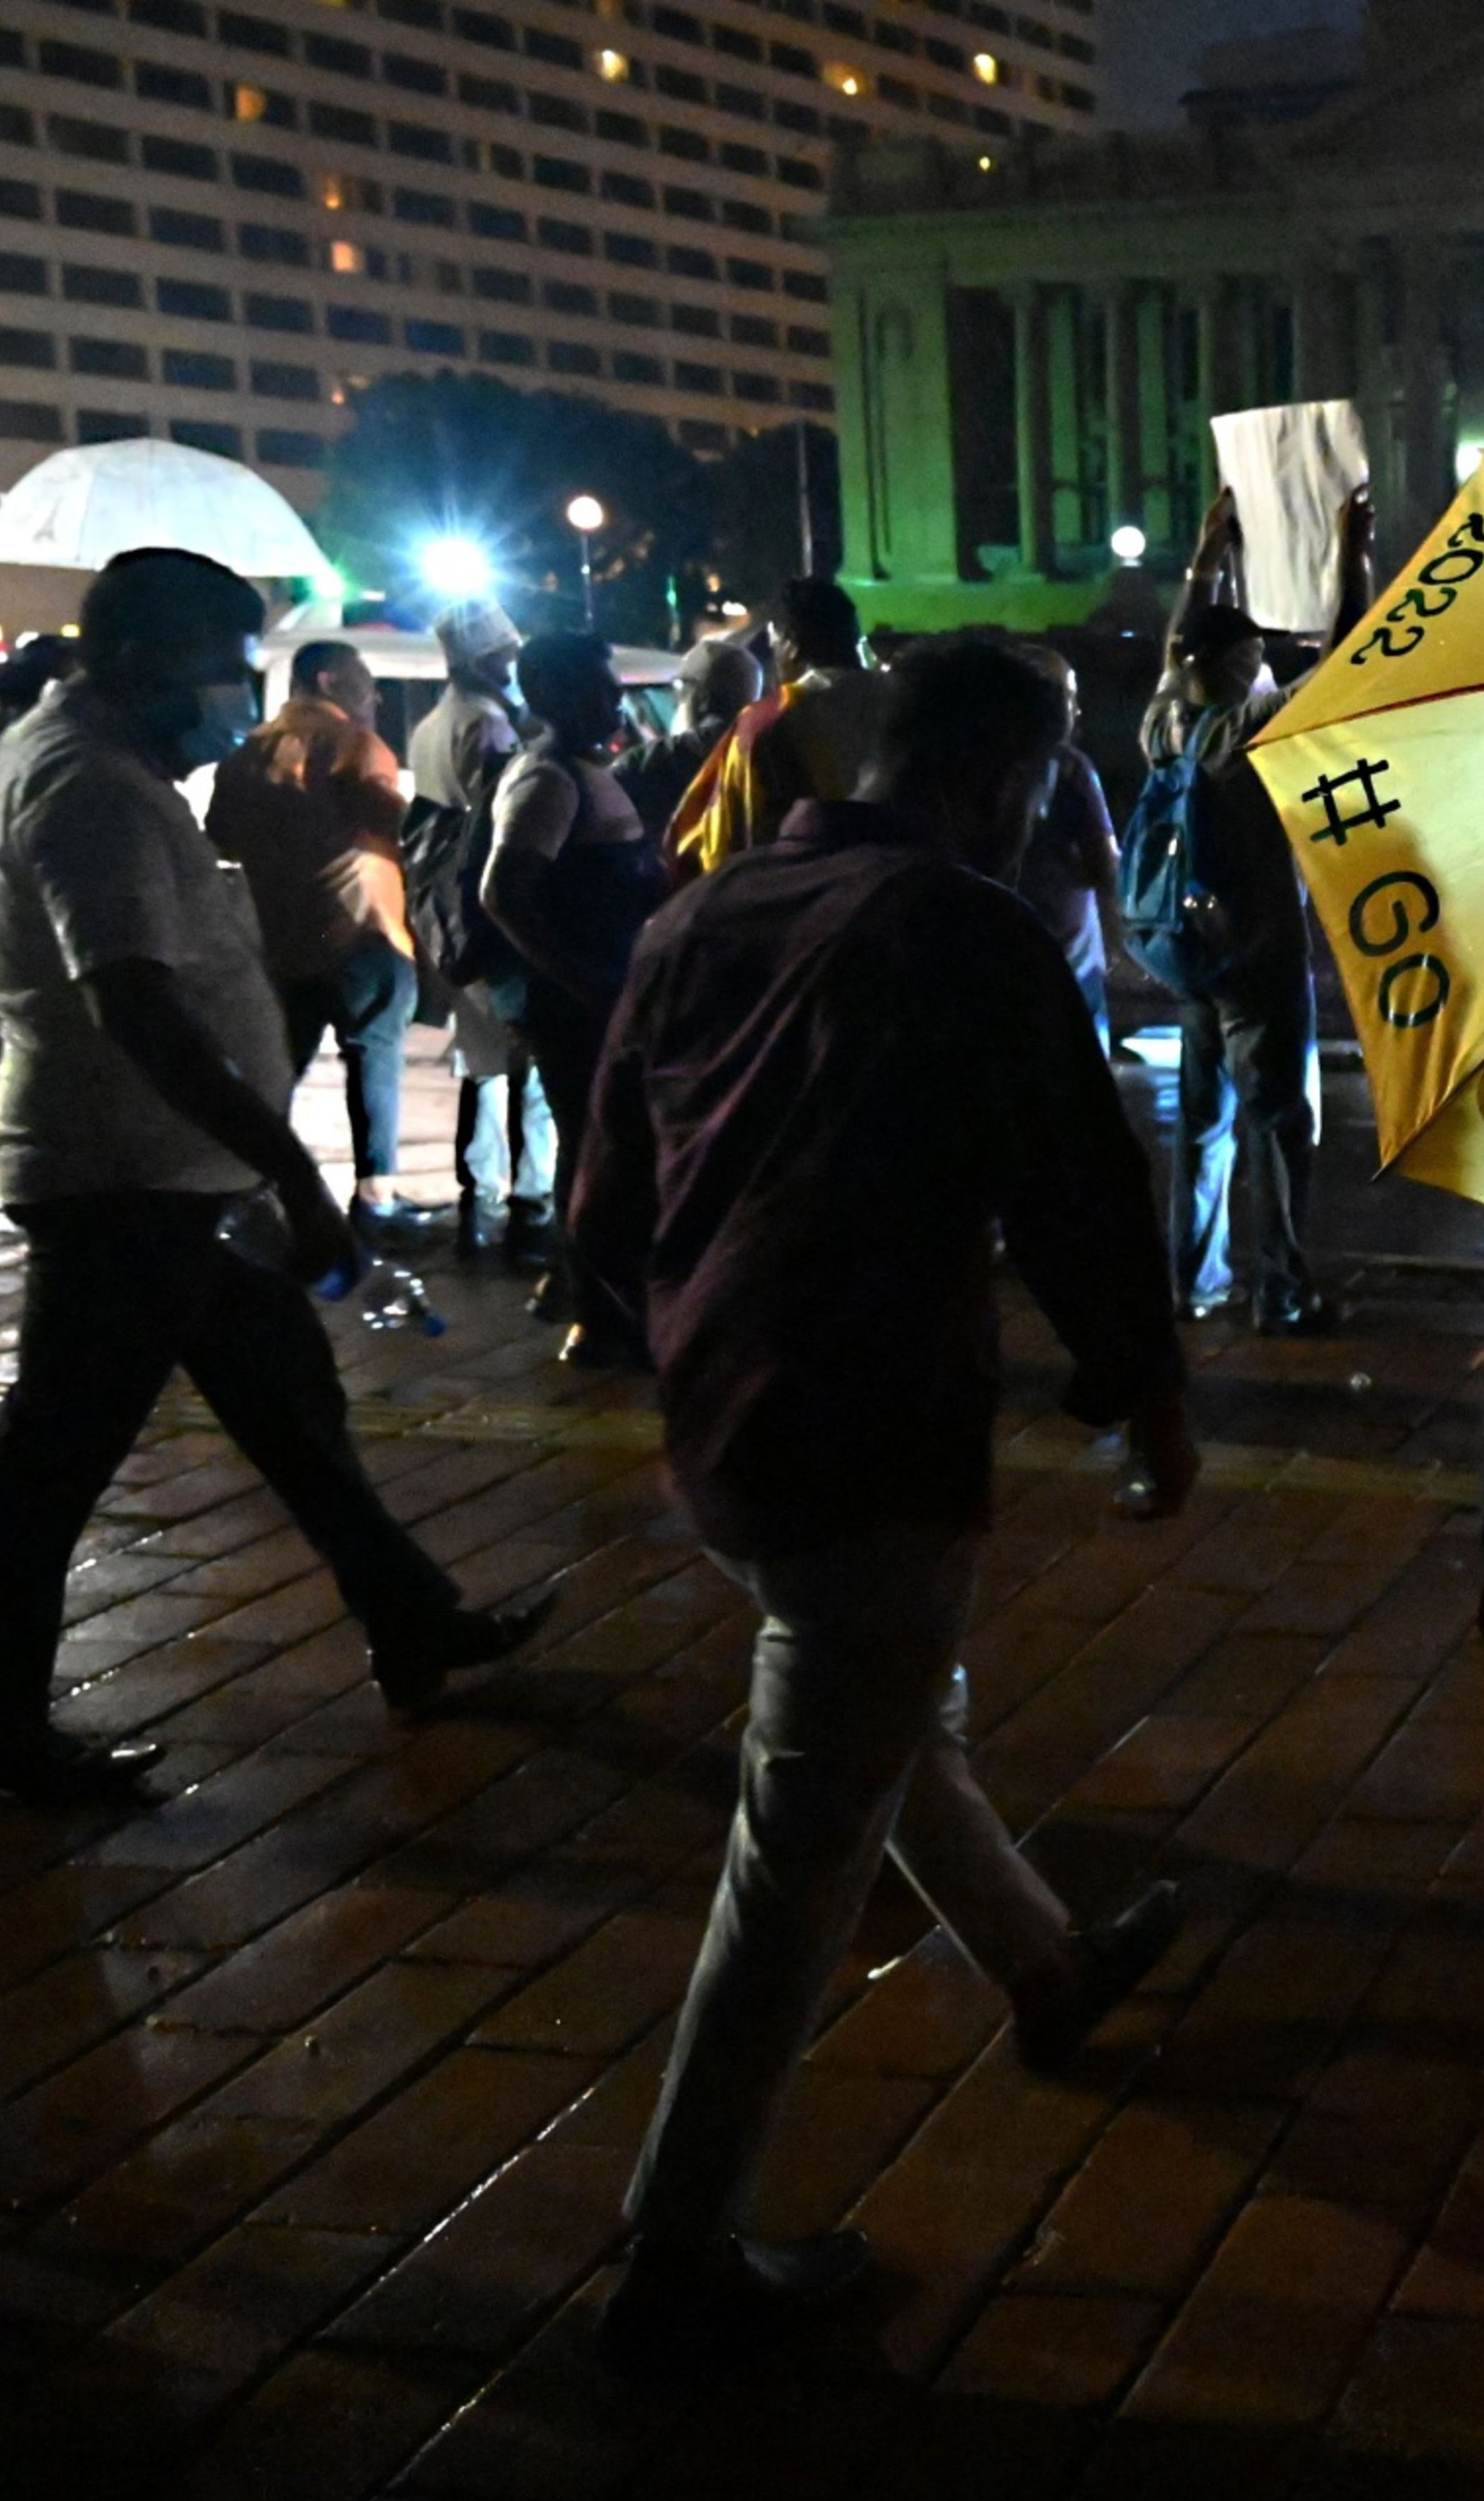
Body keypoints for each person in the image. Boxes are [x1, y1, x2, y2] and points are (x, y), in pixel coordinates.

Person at [576, 636, 1196, 2367]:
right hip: (872, 1419)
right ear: (1006, 775)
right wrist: (1141, 1394)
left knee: (879, 1715)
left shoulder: (695, 920)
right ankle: (675, 2243)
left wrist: (670, 1331)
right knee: (801, 1838)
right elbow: (1076, 1180)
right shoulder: (964, 929)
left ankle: (1048, 1965)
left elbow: (607, 1192)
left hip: (727, 1413)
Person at [0, 550, 544, 1803]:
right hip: (126, 1175)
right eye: (226, 663)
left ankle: (410, 1613)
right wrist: (291, 1169)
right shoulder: (87, 783)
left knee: (288, 1405)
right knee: (57, 1456)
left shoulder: (79, 762)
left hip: (165, 1171)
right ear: (147, 657)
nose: (239, 694)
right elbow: (135, 1005)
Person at [1124, 582, 1330, 1333]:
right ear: (1234, 661)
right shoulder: (1242, 729)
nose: (1264, 660)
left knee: (1203, 1122)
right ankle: (1279, 1293)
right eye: (1254, 650)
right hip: (1261, 959)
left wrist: (1205, 560)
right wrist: (1350, 553)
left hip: (1188, 953)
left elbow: (1171, 651)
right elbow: (1343, 659)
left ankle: (1191, 1280)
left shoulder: (1162, 729)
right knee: (1279, 1127)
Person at [205, 638, 428, 1235]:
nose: (372, 694)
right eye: (363, 680)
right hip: (364, 935)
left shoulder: (244, 757)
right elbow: (395, 824)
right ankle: (375, 1196)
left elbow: (220, 837)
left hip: (282, 943)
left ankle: (250, 1185)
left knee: (278, 1071)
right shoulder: (355, 745)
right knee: (373, 1064)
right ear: (329, 682)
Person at [483, 633, 662, 1368]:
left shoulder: (585, 772)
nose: (615, 698)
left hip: (600, 998)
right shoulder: (549, 781)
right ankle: (596, 1315)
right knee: (596, 1153)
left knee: (606, 1148)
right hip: (575, 1008)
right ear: (551, 695)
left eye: (614, 684)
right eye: (599, 687)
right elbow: (506, 893)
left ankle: (583, 1289)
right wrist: (583, 984)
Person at [408, 599, 548, 1264]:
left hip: (446, 913)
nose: (515, 662)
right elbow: (500, 824)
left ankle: (475, 1204)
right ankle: (530, 1208)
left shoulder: (433, 723)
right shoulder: (489, 726)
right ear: (488, 657)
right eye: (508, 652)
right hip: (488, 913)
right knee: (524, 1065)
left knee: (479, 1063)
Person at [663, 577, 891, 881]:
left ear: (791, 643)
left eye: (774, 645)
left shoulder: (768, 719)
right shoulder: (911, 700)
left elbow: (724, 838)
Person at [1006, 639, 1122, 1042]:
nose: (1076, 710)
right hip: (1070, 953)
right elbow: (1104, 864)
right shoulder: (1070, 768)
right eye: (1068, 697)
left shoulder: (980, 762)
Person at [614, 634, 762, 842]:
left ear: (701, 699)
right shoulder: (777, 754)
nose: (677, 703)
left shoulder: (646, 764)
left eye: (681, 692)